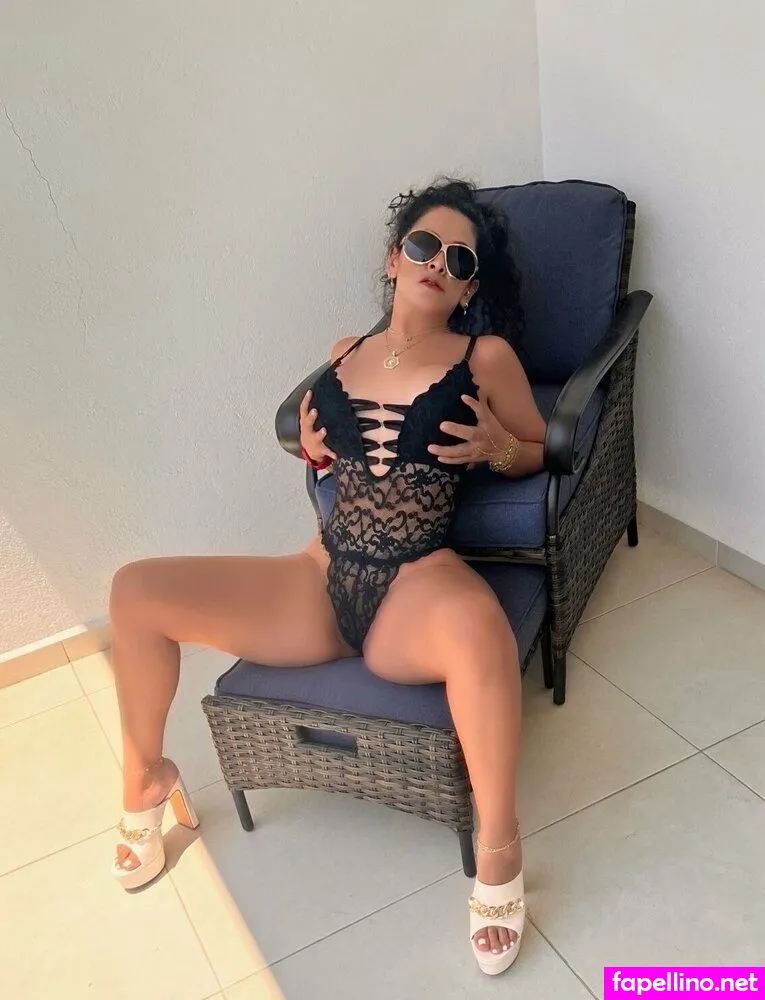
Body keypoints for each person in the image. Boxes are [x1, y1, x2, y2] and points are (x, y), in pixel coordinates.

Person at [109, 178, 547, 976]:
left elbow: (540, 449)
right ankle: (145, 778)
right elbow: (319, 448)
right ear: (393, 259)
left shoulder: (483, 357)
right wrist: (316, 447)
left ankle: (498, 847)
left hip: (417, 577)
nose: (437, 264)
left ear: (468, 287)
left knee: (479, 629)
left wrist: (497, 450)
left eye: (458, 260)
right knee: (135, 590)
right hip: (320, 573)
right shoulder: (345, 353)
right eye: (423, 246)